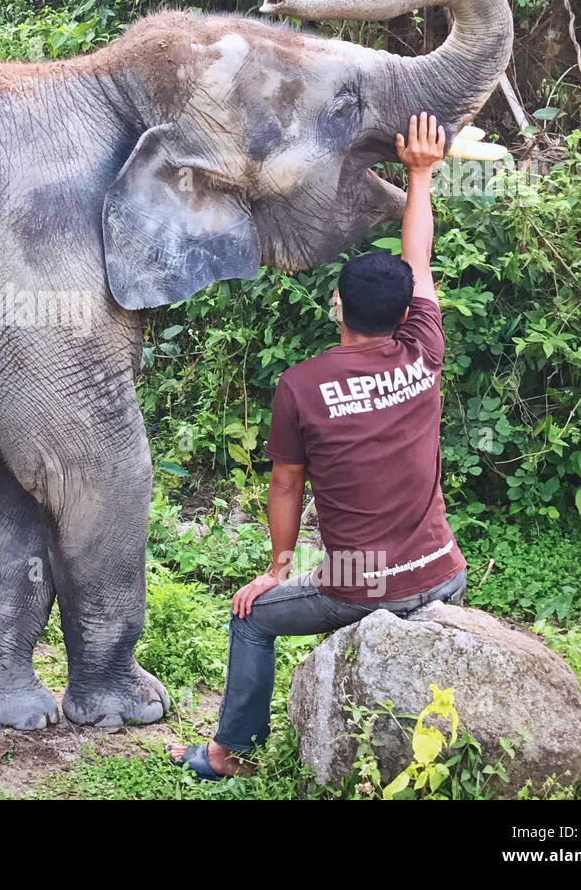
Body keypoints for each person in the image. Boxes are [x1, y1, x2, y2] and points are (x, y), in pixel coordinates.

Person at [168, 112, 469, 780]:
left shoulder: (301, 386)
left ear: (336, 305)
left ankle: (227, 753)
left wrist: (276, 567)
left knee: (250, 616)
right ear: (403, 313)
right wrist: (421, 172)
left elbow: (284, 486)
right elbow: (417, 259)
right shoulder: (424, 348)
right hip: (445, 569)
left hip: (361, 587)